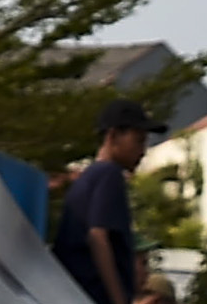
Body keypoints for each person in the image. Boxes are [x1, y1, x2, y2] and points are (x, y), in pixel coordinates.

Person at [56, 100, 158, 304]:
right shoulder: (109, 174)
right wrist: (118, 300)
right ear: (113, 136)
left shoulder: (89, 177)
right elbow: (98, 235)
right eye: (138, 140)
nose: (143, 150)